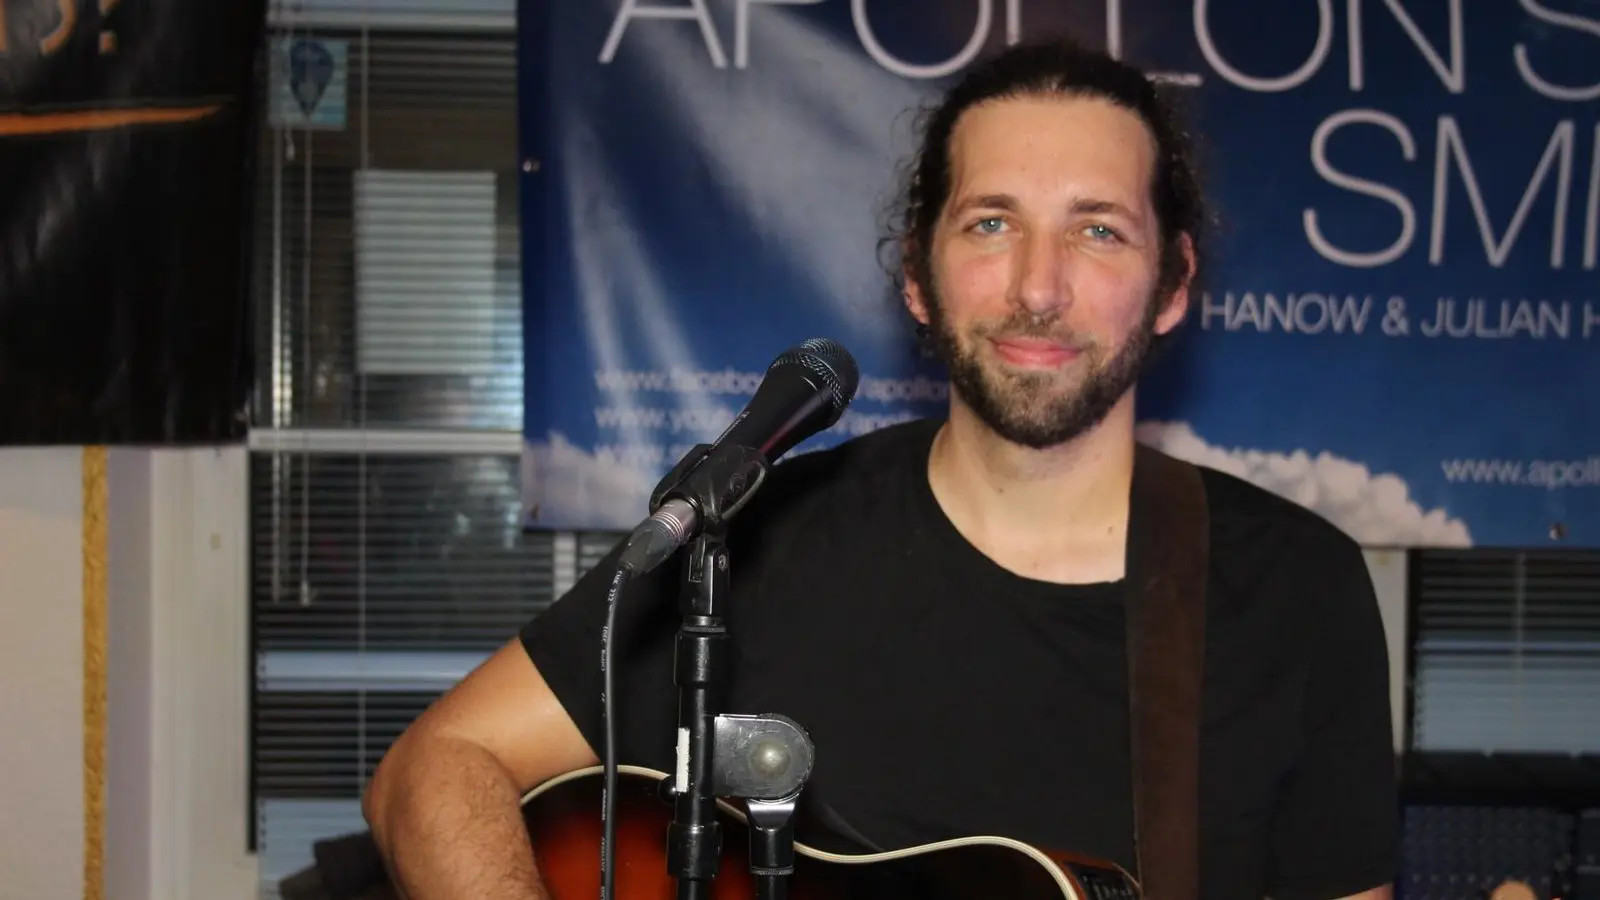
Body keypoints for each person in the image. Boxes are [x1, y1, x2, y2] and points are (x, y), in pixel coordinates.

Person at [362, 37, 1399, 900]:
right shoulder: (756, 544)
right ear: (916, 276)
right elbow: (433, 769)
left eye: (1097, 230)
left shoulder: (1297, 590)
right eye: (991, 223)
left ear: (1172, 284)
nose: (1039, 287)